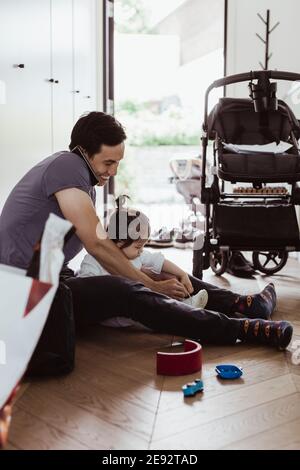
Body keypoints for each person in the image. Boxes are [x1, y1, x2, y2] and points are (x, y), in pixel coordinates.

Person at [0, 112, 293, 358]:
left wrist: (150, 274)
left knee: (147, 272)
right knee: (127, 290)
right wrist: (150, 285)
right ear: (83, 153)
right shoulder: (67, 166)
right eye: (108, 163)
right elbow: (97, 244)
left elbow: (93, 242)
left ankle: (241, 304)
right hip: (24, 294)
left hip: (49, 279)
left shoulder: (77, 178)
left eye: (118, 163)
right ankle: (239, 329)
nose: (113, 172)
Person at [78, 195, 209, 328]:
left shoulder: (136, 255)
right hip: (111, 314)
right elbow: (86, 287)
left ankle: (184, 307)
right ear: (119, 242)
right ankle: (181, 311)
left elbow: (159, 260)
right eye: (138, 246)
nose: (141, 251)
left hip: (136, 306)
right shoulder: (93, 260)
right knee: (151, 304)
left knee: (161, 287)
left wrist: (182, 274)